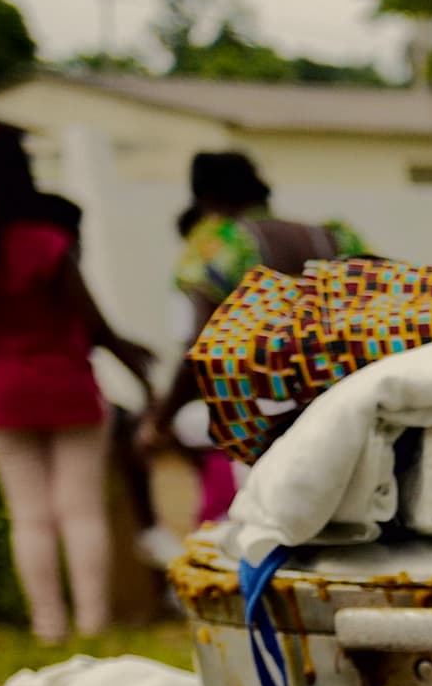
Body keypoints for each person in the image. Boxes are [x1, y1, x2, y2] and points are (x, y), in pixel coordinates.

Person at [0, 120, 154, 644]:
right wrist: (138, 368)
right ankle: (93, 625)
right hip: (67, 386)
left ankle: (47, 629)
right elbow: (93, 322)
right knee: (80, 511)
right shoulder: (46, 243)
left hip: (0, 394)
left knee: (29, 518)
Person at [138, 150, 365, 527]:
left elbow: (202, 346)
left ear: (204, 198)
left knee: (263, 524)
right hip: (347, 400)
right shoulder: (333, 236)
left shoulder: (217, 242)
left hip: (262, 415)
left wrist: (160, 420)